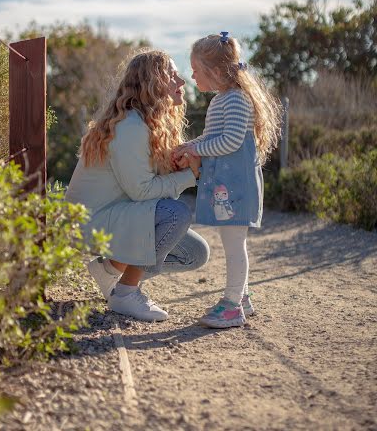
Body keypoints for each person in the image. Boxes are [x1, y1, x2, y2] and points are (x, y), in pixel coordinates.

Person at [66, 49, 209, 322]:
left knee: (195, 254)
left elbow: (146, 188)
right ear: (153, 82)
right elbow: (142, 191)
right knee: (175, 214)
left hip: (118, 214)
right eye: (173, 76)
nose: (181, 82)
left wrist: (177, 167)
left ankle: (109, 269)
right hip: (92, 222)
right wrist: (192, 177)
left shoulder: (149, 124)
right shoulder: (131, 126)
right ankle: (126, 293)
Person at [173, 32, 281, 328]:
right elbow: (212, 137)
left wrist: (196, 149)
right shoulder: (223, 99)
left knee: (234, 246)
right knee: (232, 241)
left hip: (236, 186)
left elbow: (231, 141)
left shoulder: (235, 99)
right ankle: (242, 298)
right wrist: (188, 146)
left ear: (216, 72)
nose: (192, 76)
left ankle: (232, 305)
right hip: (227, 184)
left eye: (196, 70)